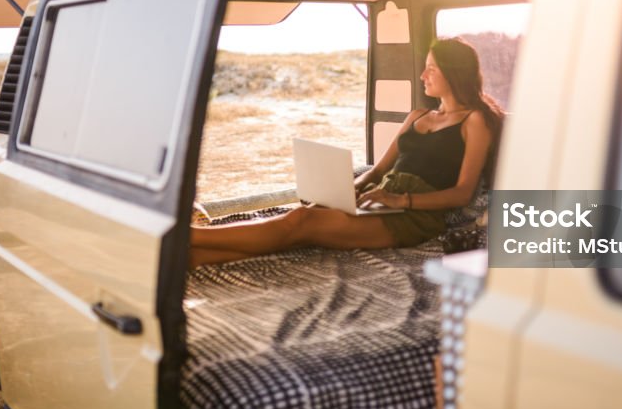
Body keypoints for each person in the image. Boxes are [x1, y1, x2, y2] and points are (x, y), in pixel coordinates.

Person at [190, 37, 504, 266]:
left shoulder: (474, 121)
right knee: (300, 221)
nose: (423, 76)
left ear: (454, 72)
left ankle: (190, 238)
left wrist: (400, 200)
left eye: (431, 69)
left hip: (413, 218)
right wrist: (347, 191)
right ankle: (190, 257)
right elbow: (379, 172)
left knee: (300, 222)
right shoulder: (417, 117)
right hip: (381, 201)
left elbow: (462, 194)